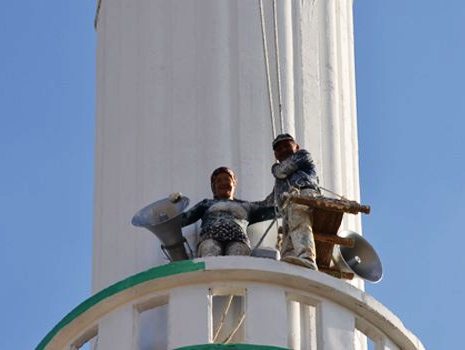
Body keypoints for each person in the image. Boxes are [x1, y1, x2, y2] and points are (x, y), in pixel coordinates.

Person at [181, 167, 276, 257]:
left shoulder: (247, 206)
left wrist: (282, 187)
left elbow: (271, 207)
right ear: (213, 187)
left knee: (237, 255)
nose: (223, 183)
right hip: (209, 238)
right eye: (218, 181)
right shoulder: (206, 204)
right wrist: (171, 209)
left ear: (234, 184)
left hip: (238, 239)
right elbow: (183, 219)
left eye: (227, 179)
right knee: (210, 251)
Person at [263, 134, 320, 270]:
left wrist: (274, 168)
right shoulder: (280, 183)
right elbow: (271, 201)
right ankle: (288, 266)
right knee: (288, 237)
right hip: (289, 205)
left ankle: (306, 258)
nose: (283, 150)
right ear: (275, 154)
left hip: (304, 194)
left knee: (299, 222)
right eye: (278, 149)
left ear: (296, 147)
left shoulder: (303, 156)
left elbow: (281, 171)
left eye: (286, 146)